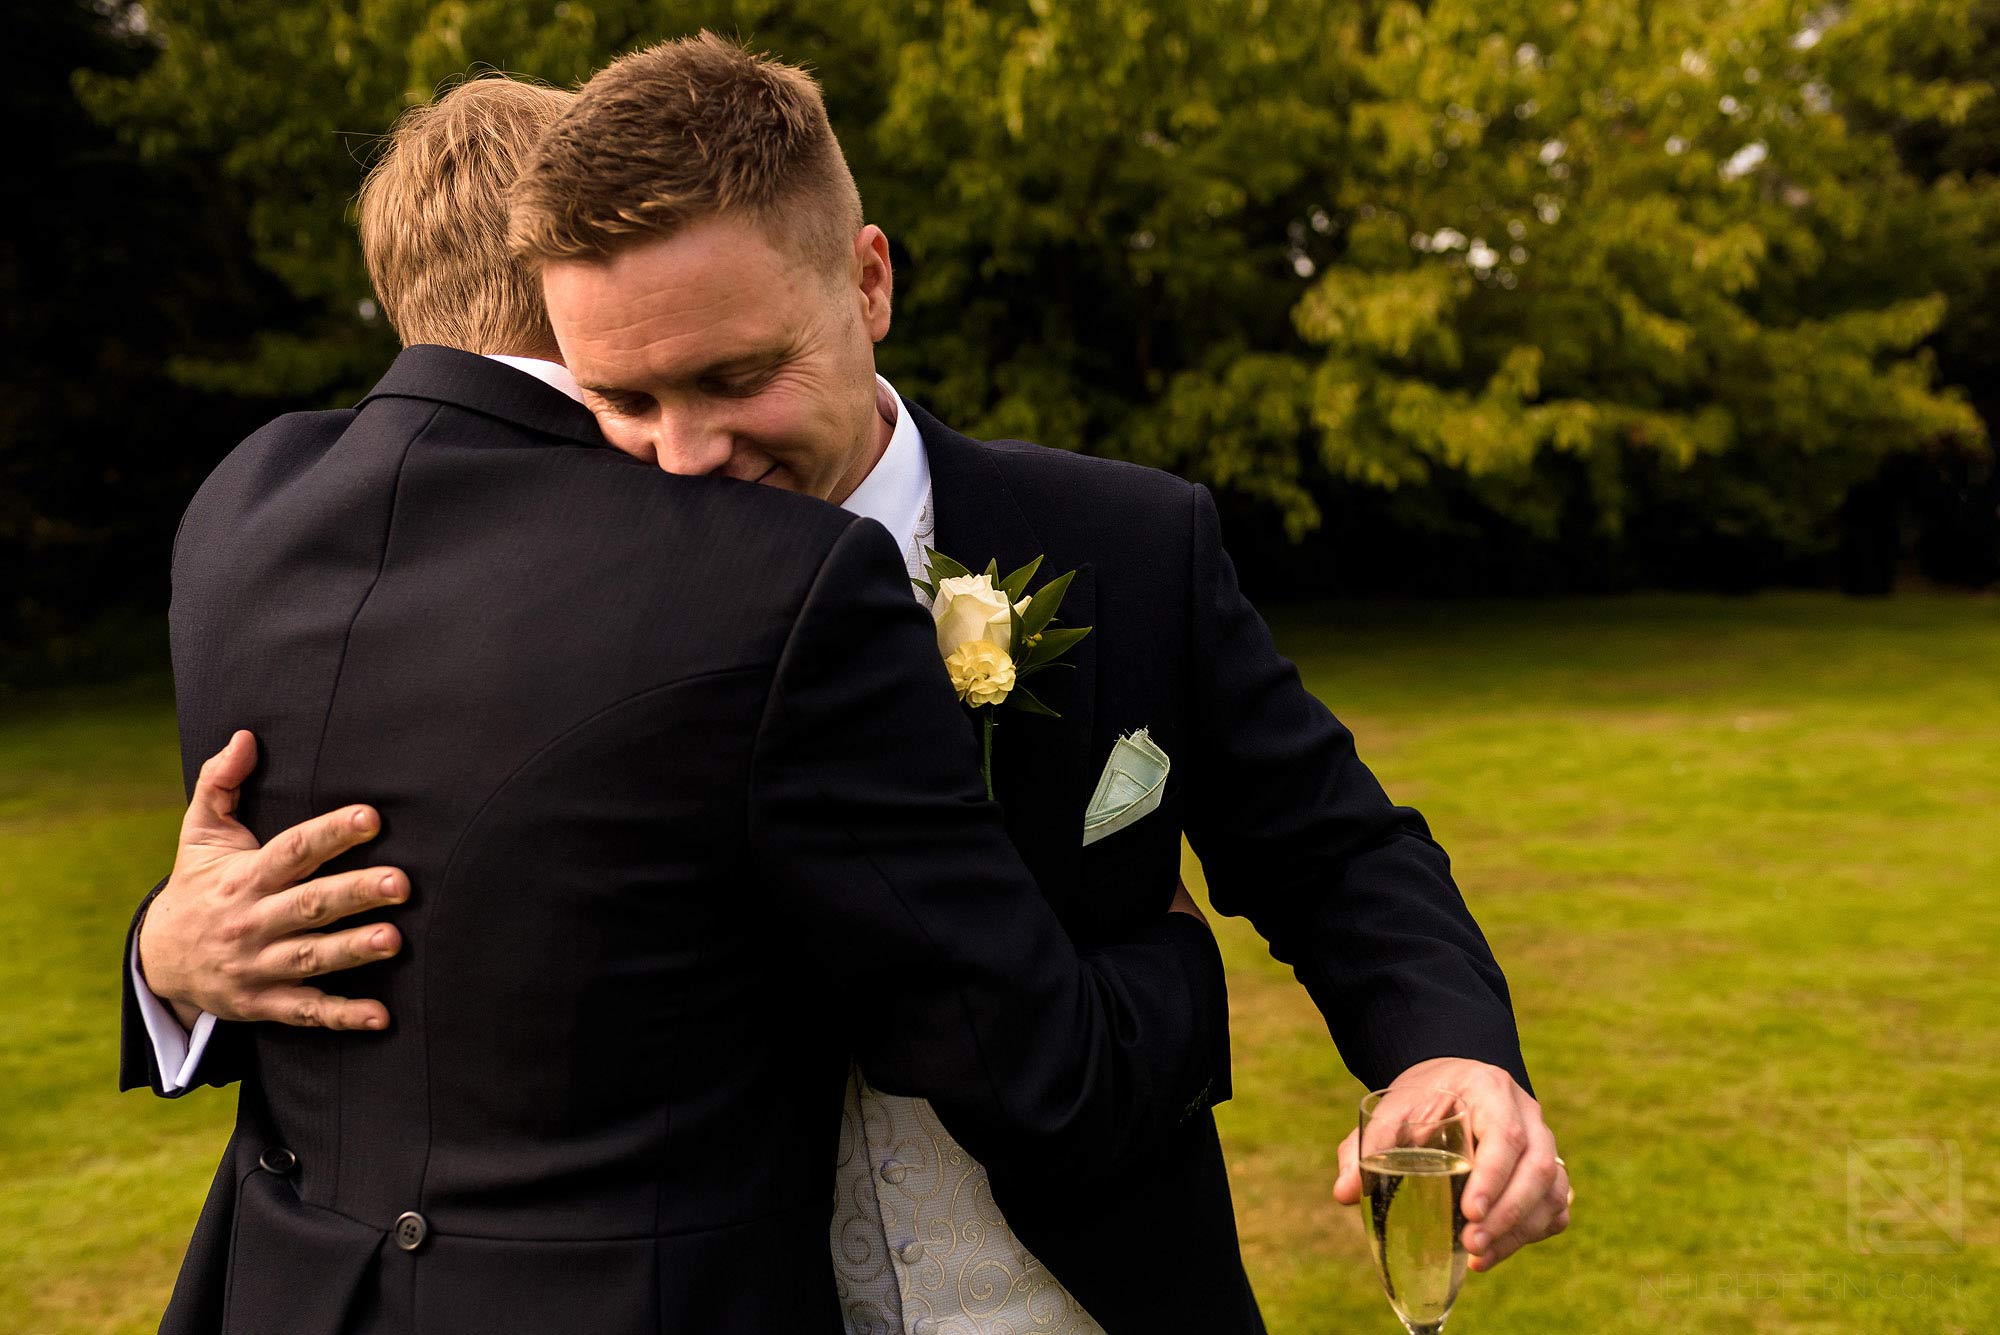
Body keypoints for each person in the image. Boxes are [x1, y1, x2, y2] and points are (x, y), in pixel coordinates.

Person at [131, 37, 1572, 1334]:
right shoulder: (570, 605)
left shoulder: (1131, 540)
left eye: (737, 376)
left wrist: (1450, 1051)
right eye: (626, 401)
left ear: (869, 280)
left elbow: (1330, 843)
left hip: (1088, 1289)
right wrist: (173, 956)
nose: (685, 453)